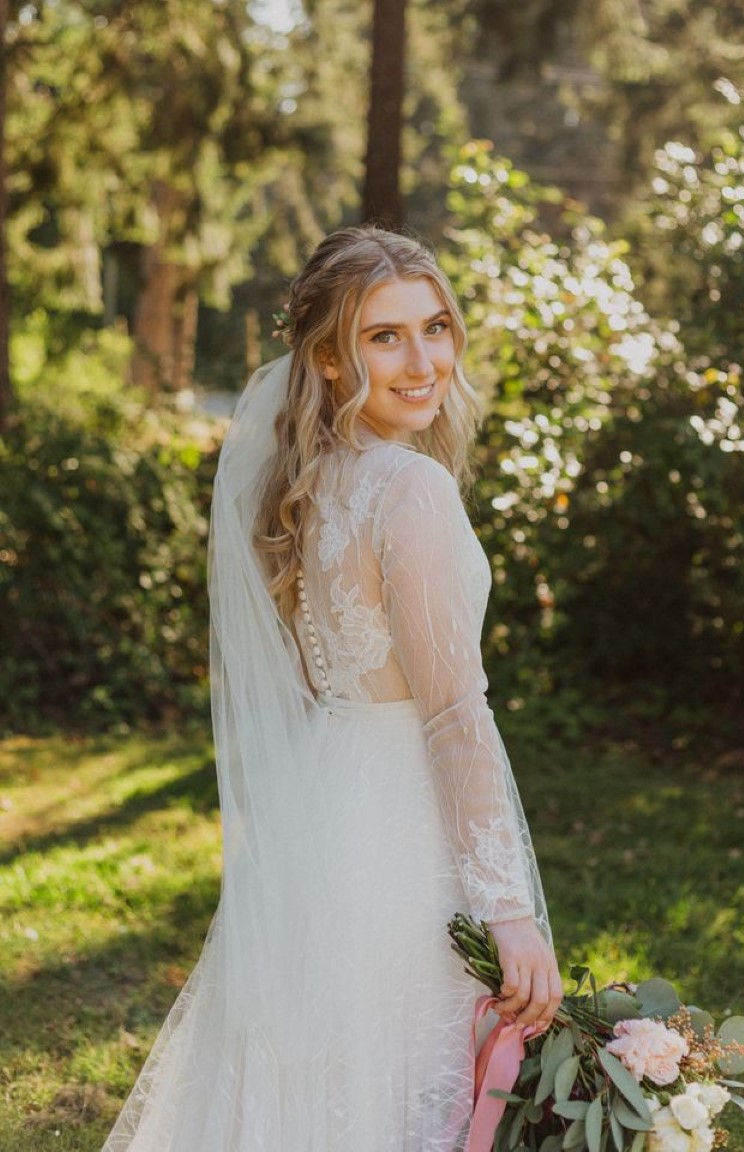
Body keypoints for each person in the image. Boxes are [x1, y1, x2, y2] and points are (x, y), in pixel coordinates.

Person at [101, 226, 562, 1152]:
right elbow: (453, 715)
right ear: (327, 357)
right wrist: (509, 910)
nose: (423, 359)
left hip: (325, 809)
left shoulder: (312, 479)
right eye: (383, 336)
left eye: (434, 326)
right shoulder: (408, 488)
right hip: (396, 827)